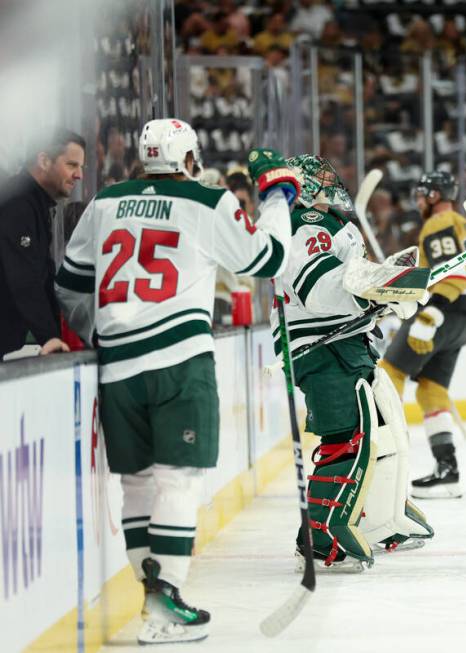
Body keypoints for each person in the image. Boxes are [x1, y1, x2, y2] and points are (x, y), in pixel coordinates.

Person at [53, 119, 298, 643]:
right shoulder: (207, 202)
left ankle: (152, 600)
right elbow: (269, 258)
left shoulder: (104, 202)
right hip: (179, 362)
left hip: (117, 366)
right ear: (190, 159)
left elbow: (70, 287)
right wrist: (277, 197)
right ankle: (165, 607)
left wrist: (103, 333)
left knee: (138, 484)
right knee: (178, 482)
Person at [275, 154, 434, 570]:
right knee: (346, 438)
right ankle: (319, 538)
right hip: (322, 349)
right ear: (305, 186)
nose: (331, 181)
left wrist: (387, 291)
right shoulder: (304, 225)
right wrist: (374, 293)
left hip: (346, 344)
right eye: (321, 177)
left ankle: (381, 517)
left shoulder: (330, 225)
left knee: (383, 427)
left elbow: (350, 288)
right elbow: (319, 289)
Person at [380, 171, 466, 499]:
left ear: (433, 196)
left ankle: (385, 466)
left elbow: (451, 275)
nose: (417, 201)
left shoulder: (438, 224)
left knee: (388, 375)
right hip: (464, 319)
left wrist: (432, 314)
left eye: (421, 194)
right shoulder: (465, 224)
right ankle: (448, 471)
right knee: (431, 392)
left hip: (441, 312)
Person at [0, 129, 85, 360]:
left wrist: (57, 335)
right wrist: (49, 338)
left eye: (81, 167)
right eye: (71, 165)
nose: (79, 175)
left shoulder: (36, 205)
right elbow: (23, 278)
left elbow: (44, 277)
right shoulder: (17, 205)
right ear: (44, 161)